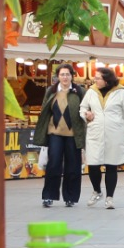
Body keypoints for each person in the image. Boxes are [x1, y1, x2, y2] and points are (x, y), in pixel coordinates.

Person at [81, 66, 124, 210]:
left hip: (115, 134)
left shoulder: (121, 92)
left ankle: (109, 197)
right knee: (93, 164)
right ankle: (97, 191)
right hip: (95, 133)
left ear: (106, 80)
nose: (95, 80)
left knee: (111, 165)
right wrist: (86, 114)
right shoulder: (91, 91)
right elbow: (82, 108)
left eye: (98, 78)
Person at [33, 64, 85, 208]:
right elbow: (45, 111)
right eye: (62, 74)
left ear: (72, 76)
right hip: (54, 133)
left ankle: (70, 197)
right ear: (58, 77)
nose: (65, 77)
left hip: (73, 134)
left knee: (73, 166)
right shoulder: (51, 91)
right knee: (53, 164)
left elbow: (87, 108)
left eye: (67, 74)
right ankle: (48, 196)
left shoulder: (79, 91)